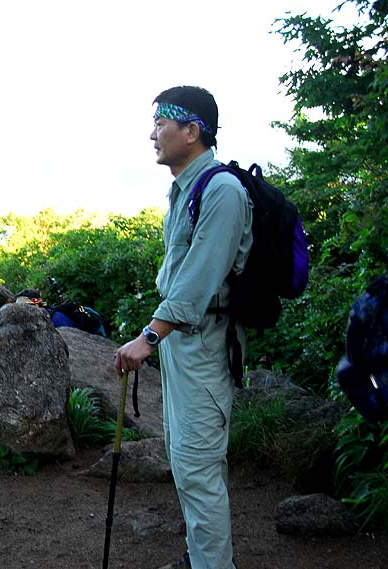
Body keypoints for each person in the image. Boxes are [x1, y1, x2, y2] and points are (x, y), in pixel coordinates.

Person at [114, 86, 252, 569]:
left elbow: (195, 283)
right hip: (183, 347)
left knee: (198, 467)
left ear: (192, 131)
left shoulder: (222, 192)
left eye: (161, 124)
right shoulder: (187, 190)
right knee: (185, 462)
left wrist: (149, 336)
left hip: (205, 347)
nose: (152, 133)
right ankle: (201, 559)